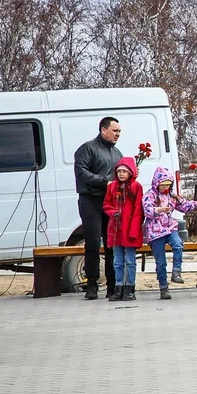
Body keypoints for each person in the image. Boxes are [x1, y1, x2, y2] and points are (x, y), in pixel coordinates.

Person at [142, 166, 197, 300]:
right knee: (161, 262)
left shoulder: (172, 195)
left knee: (178, 244)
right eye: (162, 185)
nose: (165, 188)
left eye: (168, 185)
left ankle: (176, 271)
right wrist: (159, 210)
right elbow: (147, 211)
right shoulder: (149, 195)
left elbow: (184, 205)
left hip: (169, 228)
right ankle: (163, 287)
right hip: (156, 232)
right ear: (157, 183)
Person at [73, 116, 123, 299]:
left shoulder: (117, 153)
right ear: (104, 130)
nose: (118, 134)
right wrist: (105, 182)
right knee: (93, 244)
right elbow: (81, 173)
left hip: (110, 203)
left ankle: (112, 286)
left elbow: (120, 176)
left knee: (111, 244)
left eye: (119, 132)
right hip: (90, 202)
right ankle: (92, 285)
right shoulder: (87, 149)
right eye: (115, 131)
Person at [102, 156, 144, 302]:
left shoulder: (136, 187)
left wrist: (134, 229)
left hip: (130, 228)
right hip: (116, 229)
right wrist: (113, 212)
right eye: (119, 171)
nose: (121, 174)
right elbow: (107, 204)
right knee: (117, 261)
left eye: (124, 171)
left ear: (131, 172)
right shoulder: (112, 186)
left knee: (130, 260)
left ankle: (130, 287)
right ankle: (118, 287)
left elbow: (139, 210)